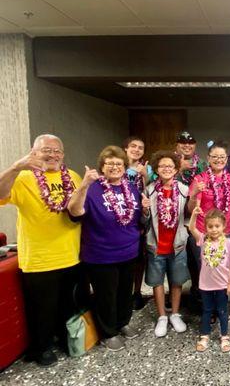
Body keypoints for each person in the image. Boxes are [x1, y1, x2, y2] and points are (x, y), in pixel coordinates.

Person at [0, 134, 82, 367]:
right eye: (47, 150)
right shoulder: (23, 177)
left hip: (71, 254)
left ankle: (65, 339)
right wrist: (16, 166)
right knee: (41, 309)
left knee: (68, 303)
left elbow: (78, 209)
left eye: (57, 151)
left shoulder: (73, 176)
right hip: (39, 257)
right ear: (33, 152)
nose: (52, 155)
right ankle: (42, 347)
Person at [67, 146, 150, 352]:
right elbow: (75, 213)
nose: (114, 167)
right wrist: (84, 184)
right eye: (109, 163)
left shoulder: (130, 188)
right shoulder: (92, 188)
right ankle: (108, 332)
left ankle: (123, 322)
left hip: (129, 251)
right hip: (101, 254)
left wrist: (146, 210)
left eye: (119, 163)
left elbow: (137, 218)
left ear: (124, 167)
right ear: (102, 166)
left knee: (124, 291)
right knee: (106, 294)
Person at [144, 151, 190, 337]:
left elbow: (188, 213)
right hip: (156, 244)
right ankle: (162, 316)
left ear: (176, 169)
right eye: (162, 166)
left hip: (177, 244)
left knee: (177, 280)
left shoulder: (184, 189)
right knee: (157, 282)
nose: (166, 169)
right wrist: (145, 210)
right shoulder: (149, 189)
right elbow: (143, 220)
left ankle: (175, 314)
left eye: (170, 166)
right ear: (156, 169)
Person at [187, 141, 230, 298]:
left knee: (226, 270)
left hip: (227, 233)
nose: (219, 159)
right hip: (204, 234)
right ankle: (206, 305)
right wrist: (195, 192)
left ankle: (222, 303)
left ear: (227, 159)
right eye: (215, 156)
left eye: (222, 156)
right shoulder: (200, 179)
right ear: (208, 158)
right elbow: (191, 209)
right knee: (204, 271)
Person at [189, 207, 230, 352]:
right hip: (206, 285)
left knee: (222, 311)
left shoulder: (229, 243)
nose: (214, 229)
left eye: (217, 226)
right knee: (206, 310)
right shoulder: (203, 240)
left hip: (223, 285)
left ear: (224, 226)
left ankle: (224, 336)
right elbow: (192, 228)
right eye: (210, 226)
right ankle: (204, 335)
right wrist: (194, 214)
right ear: (205, 227)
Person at [123, 135, 153, 311]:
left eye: (140, 147)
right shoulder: (119, 165)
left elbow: (151, 188)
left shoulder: (146, 167)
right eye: (133, 146)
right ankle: (123, 292)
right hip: (120, 214)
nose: (136, 150)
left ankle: (137, 292)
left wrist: (145, 175)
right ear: (126, 148)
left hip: (140, 214)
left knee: (139, 256)